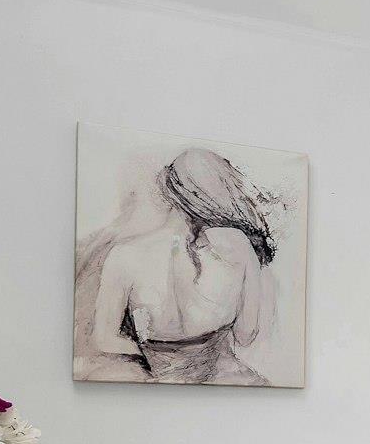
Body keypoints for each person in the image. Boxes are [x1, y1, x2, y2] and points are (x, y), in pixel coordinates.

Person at [88, 148, 277, 384]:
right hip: (224, 378)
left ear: (167, 190)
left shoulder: (123, 255)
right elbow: (246, 334)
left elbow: (105, 339)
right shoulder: (237, 244)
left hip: (163, 378)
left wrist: (163, 357)